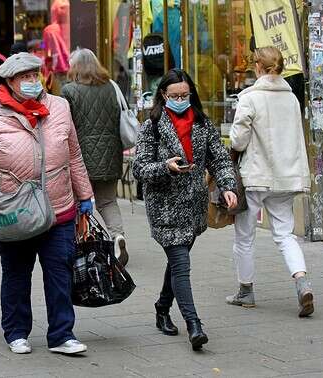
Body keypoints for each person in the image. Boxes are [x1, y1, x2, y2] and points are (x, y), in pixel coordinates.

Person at [0, 52, 94, 355]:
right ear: (9, 82)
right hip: (12, 209)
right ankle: (16, 331)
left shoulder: (60, 107)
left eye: (35, 75)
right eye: (24, 77)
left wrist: (85, 195)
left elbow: (74, 154)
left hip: (58, 206)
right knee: (17, 272)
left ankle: (61, 334)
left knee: (60, 270)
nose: (32, 81)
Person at [132, 68, 237, 351]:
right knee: (181, 264)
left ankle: (162, 306)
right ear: (163, 95)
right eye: (174, 95)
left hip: (193, 205)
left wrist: (228, 186)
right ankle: (194, 325)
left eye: (184, 94)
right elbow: (139, 168)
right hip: (164, 206)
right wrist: (165, 167)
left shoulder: (202, 123)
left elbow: (220, 159)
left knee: (177, 263)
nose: (180, 99)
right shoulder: (151, 125)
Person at [227, 46, 313, 317]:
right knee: (285, 234)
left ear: (259, 67)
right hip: (285, 176)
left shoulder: (250, 98)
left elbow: (238, 140)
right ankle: (302, 281)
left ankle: (246, 291)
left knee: (244, 237)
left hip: (255, 176)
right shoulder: (291, 99)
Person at [61, 48, 129, 265]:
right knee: (108, 201)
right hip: (111, 154)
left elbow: (63, 126)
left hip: (80, 157)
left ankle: (81, 244)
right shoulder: (112, 87)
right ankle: (117, 236)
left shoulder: (69, 91)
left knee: (76, 201)